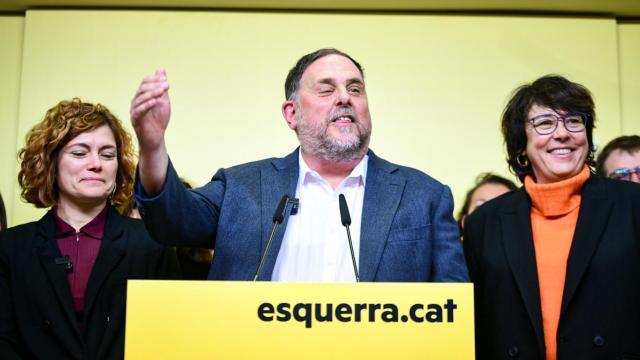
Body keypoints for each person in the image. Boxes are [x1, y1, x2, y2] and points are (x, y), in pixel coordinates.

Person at [130, 48, 468, 282]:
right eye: (326, 90)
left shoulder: (424, 197)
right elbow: (173, 221)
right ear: (292, 113)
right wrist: (152, 144)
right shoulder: (242, 187)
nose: (345, 97)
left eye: (355, 88)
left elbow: (454, 310)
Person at [463, 75, 640, 360]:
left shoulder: (632, 205)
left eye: (574, 120)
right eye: (545, 123)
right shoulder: (484, 223)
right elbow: (476, 328)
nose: (562, 133)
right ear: (521, 144)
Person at [0, 98, 180, 359]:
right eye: (79, 152)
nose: (96, 163)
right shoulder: (10, 247)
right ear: (50, 163)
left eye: (107, 154)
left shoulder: (152, 244)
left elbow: (169, 339)